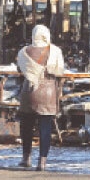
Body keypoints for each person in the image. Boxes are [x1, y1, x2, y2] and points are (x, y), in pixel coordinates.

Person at [16, 24, 64, 171]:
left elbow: (20, 70)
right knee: (45, 128)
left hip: (28, 92)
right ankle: (42, 162)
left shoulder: (24, 52)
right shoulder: (55, 51)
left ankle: (26, 158)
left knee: (26, 127)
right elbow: (60, 71)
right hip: (48, 92)